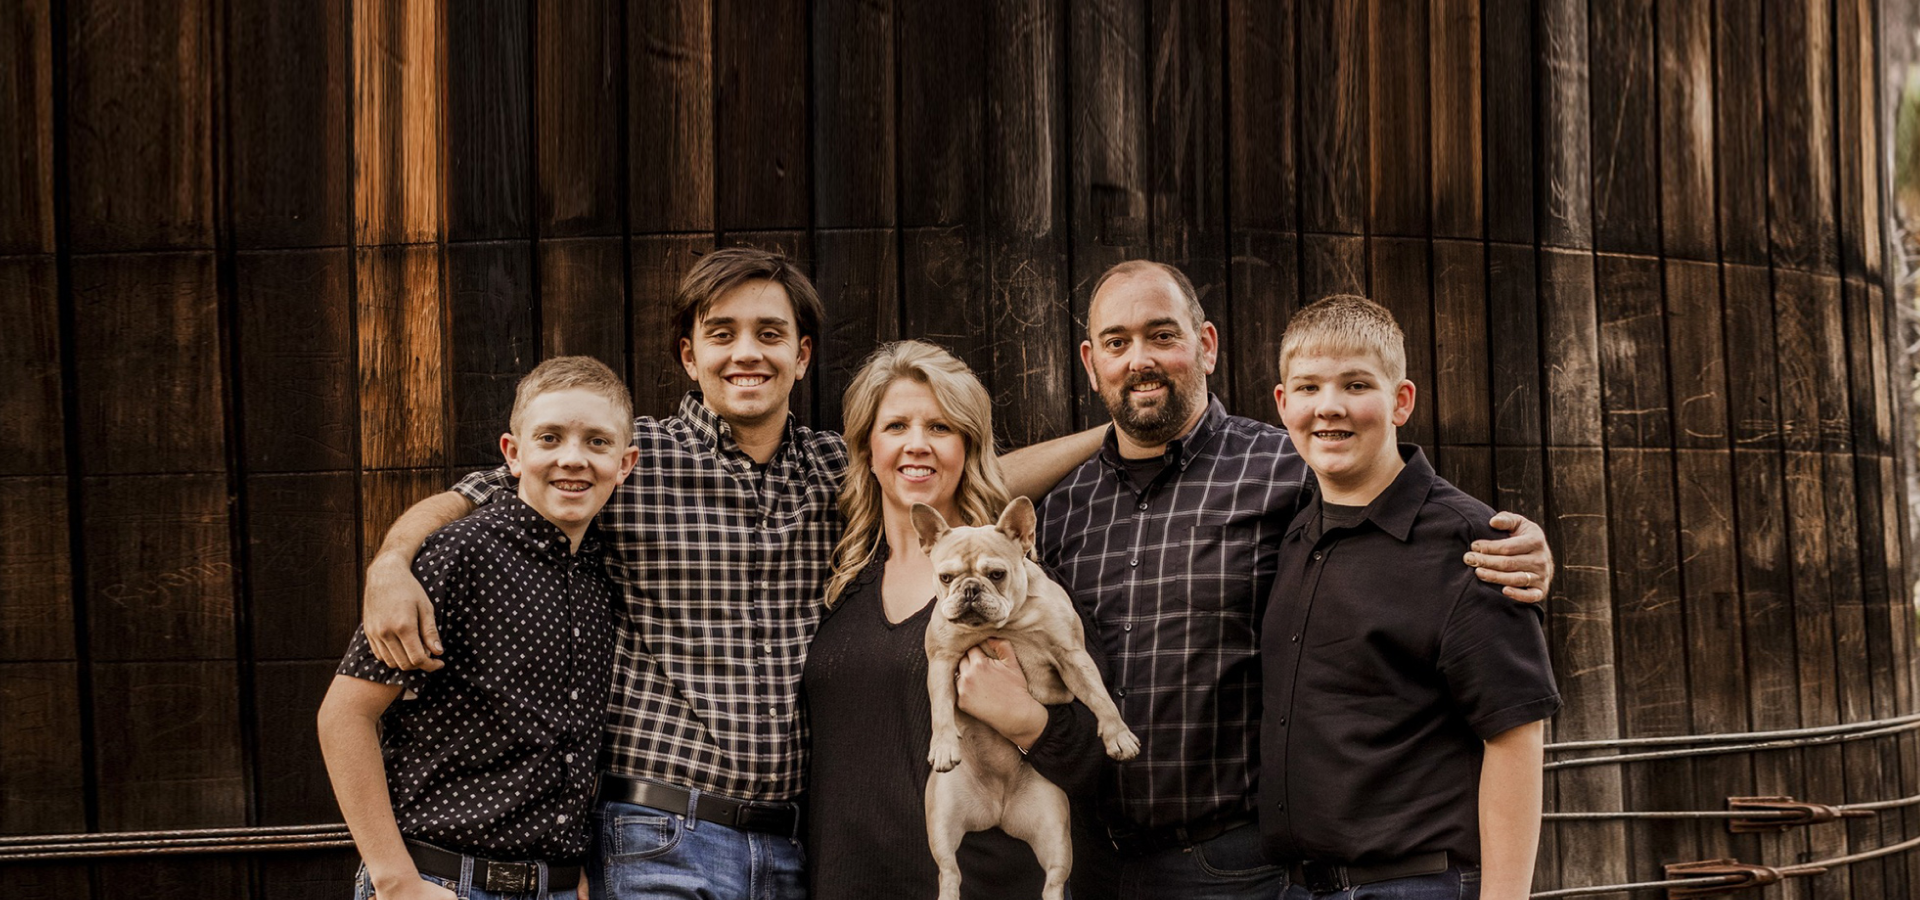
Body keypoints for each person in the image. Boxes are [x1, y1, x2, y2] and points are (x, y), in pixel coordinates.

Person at [357, 248, 1102, 900]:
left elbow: (961, 470)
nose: (747, 353)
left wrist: (1111, 435)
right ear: (690, 356)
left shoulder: (828, 472)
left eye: (770, 334)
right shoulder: (627, 461)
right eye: (723, 334)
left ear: (802, 357)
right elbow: (473, 497)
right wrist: (390, 561)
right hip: (658, 833)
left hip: (788, 849)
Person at [1034, 261, 1556, 900]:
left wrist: (1514, 545)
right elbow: (938, 496)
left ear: (1206, 345)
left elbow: (1400, 507)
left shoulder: (1287, 465)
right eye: (1117, 343)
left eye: (1162, 336)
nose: (1139, 358)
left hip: (1236, 864)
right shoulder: (1060, 508)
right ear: (1091, 361)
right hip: (1090, 859)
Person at [1263, 295, 1559, 899]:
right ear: (1282, 402)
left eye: (1356, 384)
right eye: (1309, 387)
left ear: (1401, 402)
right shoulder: (1294, 528)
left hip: (1415, 885)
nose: (1330, 407)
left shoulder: (1470, 544)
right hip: (1300, 888)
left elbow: (1516, 735)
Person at [318, 356, 640, 900]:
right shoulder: (459, 552)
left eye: (597, 442)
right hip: (445, 879)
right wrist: (395, 881)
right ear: (514, 454)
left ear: (625, 463)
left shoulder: (598, 574)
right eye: (550, 438)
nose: (572, 458)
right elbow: (345, 715)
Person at [803, 341, 1109, 900]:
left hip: (989, 886)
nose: (916, 445)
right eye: (896, 426)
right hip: (849, 882)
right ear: (869, 450)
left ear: (967, 447)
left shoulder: (1018, 590)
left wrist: (1026, 720)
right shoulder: (841, 584)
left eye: (940, 428)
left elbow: (1100, 762)